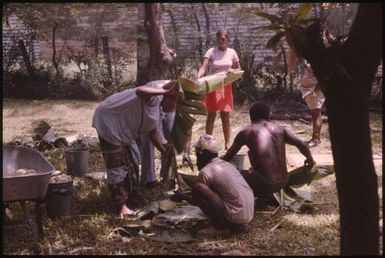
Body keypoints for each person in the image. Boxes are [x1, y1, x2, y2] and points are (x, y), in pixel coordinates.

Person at [92, 80, 179, 218]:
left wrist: (164, 152)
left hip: (124, 127)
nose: (176, 108)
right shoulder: (155, 97)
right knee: (117, 165)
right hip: (109, 120)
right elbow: (140, 91)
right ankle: (120, 206)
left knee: (133, 160)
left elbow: (152, 133)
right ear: (168, 97)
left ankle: (133, 195)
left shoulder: (158, 110)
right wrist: (165, 92)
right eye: (176, 103)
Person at [222, 102, 315, 206]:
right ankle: (264, 197)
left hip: (264, 183)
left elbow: (227, 158)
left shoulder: (247, 132)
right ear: (269, 116)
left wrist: (212, 162)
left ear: (251, 117)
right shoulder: (280, 129)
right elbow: (303, 144)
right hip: (283, 181)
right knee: (254, 170)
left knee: (231, 173)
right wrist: (310, 158)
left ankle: (254, 196)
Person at [192, 134, 254, 236]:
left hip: (236, 216)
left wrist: (183, 197)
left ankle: (219, 227)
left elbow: (198, 198)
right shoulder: (228, 164)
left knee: (198, 188)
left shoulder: (206, 172)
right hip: (248, 214)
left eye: (197, 154)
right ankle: (230, 224)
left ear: (201, 155)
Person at [196, 28, 241, 150]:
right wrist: (198, 77)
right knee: (211, 115)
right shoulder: (211, 51)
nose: (220, 41)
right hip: (212, 85)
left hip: (225, 86)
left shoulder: (232, 52)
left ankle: (228, 144)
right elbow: (203, 67)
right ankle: (208, 143)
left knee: (225, 116)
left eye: (223, 39)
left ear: (228, 39)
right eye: (218, 39)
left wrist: (232, 71)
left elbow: (239, 70)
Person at [287, 29, 333, 147]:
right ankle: (315, 137)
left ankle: (316, 139)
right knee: (314, 113)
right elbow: (293, 54)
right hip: (311, 85)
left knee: (315, 113)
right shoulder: (312, 49)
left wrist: (318, 86)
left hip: (315, 86)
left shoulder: (324, 50)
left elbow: (325, 72)